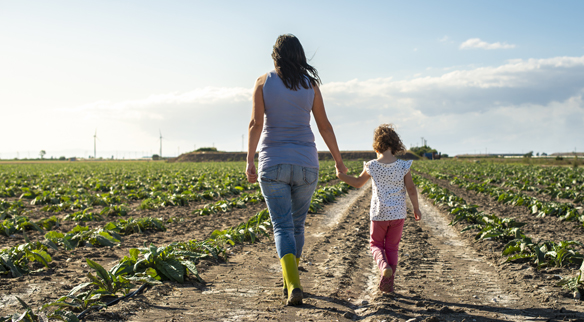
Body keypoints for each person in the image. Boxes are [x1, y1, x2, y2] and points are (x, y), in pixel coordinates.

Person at [246, 34, 347, 305]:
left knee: (281, 226)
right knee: (297, 225)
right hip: (306, 164)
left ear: (275, 55)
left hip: (273, 163)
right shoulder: (310, 85)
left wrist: (249, 160)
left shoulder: (263, 82)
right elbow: (324, 126)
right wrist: (338, 161)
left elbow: (256, 124)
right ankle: (292, 281)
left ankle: (292, 284)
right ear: (300, 55)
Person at [336, 124, 422, 293]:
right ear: (395, 144)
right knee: (392, 248)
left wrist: (341, 176)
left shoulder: (372, 165)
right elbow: (411, 189)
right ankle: (389, 281)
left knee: (376, 245)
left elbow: (358, 183)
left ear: (377, 145)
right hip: (398, 214)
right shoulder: (404, 166)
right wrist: (416, 208)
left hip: (379, 213)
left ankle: (383, 267)